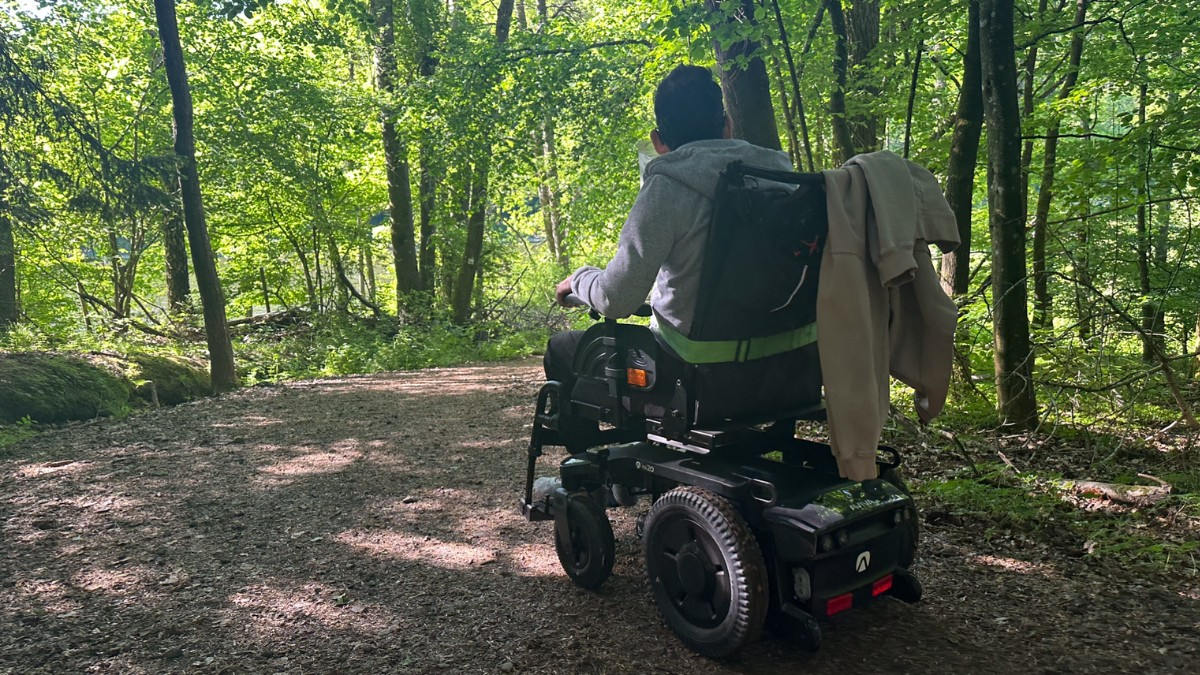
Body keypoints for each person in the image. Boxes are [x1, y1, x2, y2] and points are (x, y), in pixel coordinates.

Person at [543, 64, 792, 449]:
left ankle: (595, 475)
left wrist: (578, 279)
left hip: (697, 367)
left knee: (563, 349)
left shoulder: (668, 187)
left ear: (659, 140)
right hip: (786, 363)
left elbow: (617, 299)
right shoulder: (784, 177)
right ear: (726, 125)